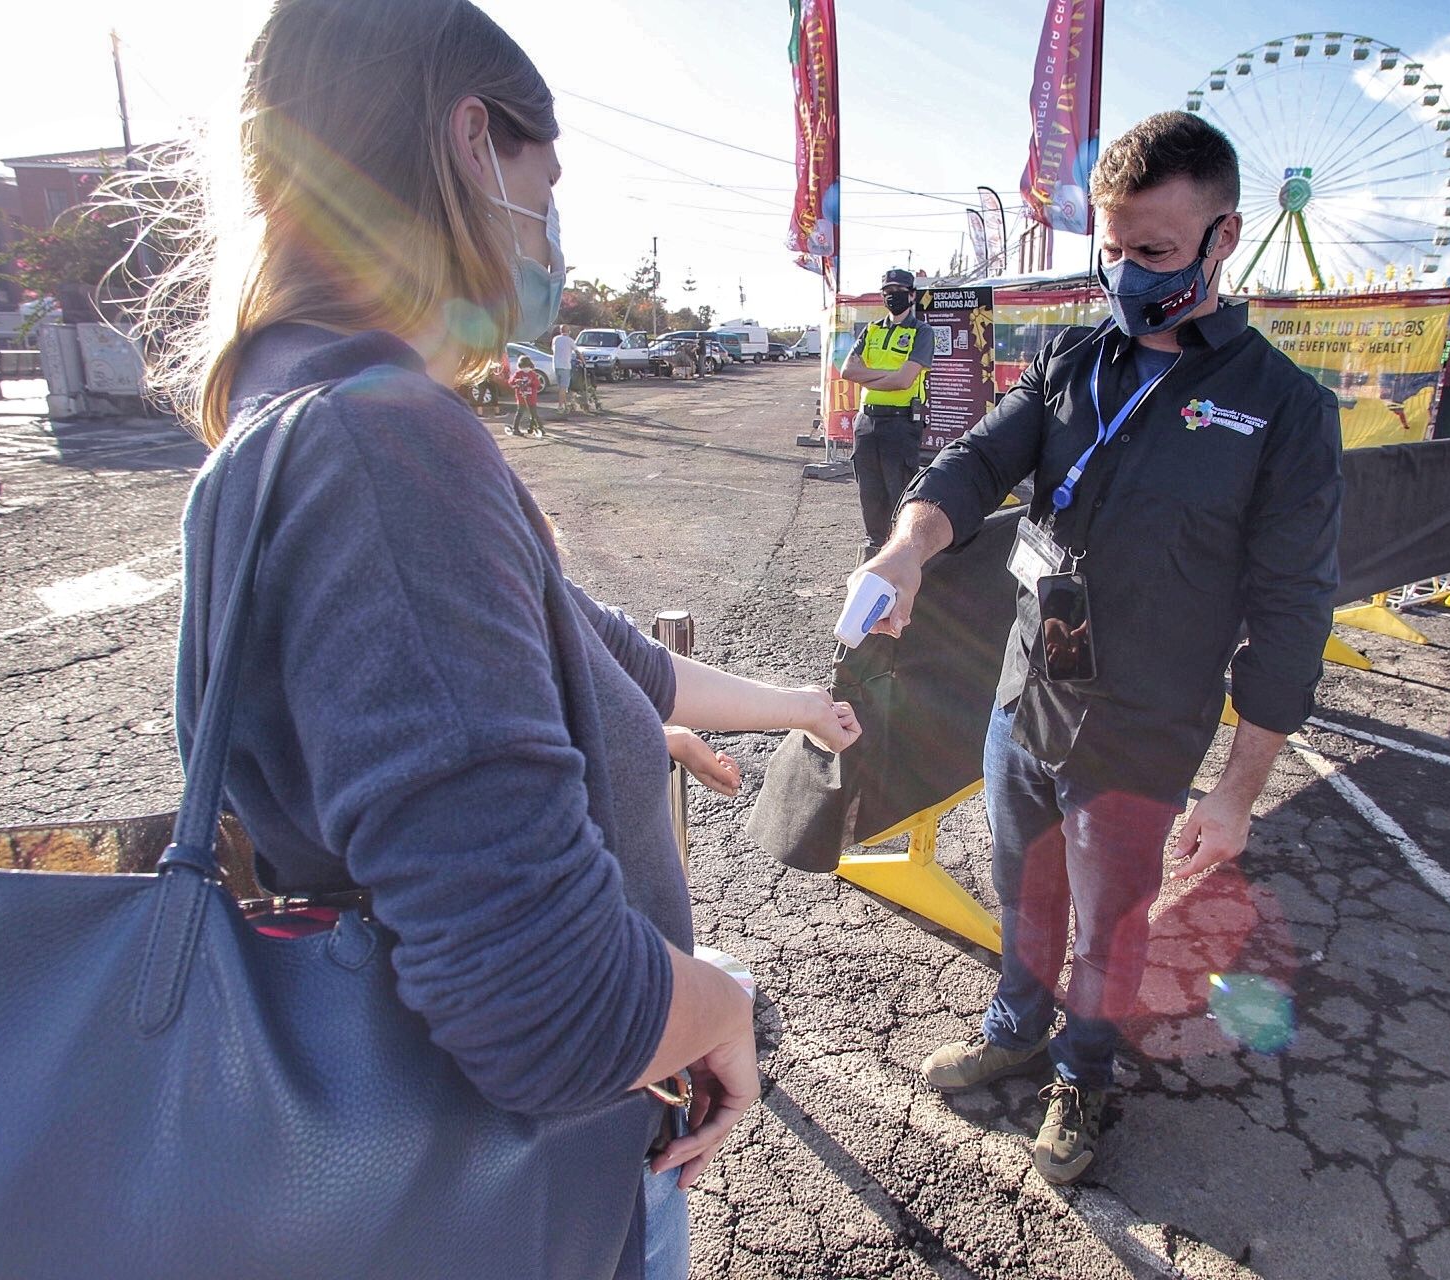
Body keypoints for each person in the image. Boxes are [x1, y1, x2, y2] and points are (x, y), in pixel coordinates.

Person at [140, 2, 862, 1275]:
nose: (551, 233)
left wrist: (787, 702)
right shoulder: (385, 448)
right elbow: (554, 1005)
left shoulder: (287, 418)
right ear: (474, 144)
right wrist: (724, 999)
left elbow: (614, 658)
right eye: (548, 185)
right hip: (518, 1193)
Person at [852, 111, 1342, 1185]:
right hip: (1027, 693)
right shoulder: (1073, 361)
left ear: (1225, 239)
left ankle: (1084, 1071)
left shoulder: (1286, 408)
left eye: (1153, 252)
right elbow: (973, 466)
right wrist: (904, 553)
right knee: (1021, 883)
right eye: (1112, 249)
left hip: (1145, 724)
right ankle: (1016, 1025)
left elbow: (1295, 609)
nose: (1125, 272)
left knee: (1112, 921)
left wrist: (1239, 789)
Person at [838, 267, 934, 560]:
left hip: (900, 424)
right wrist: (887, 376)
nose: (892, 297)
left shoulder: (921, 332)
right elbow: (847, 371)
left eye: (898, 292)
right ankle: (874, 551)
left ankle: (901, 555)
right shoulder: (872, 330)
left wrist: (868, 376)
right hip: (867, 423)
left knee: (899, 494)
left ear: (912, 295)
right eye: (887, 292)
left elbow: (904, 380)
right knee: (870, 494)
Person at [507, 352, 544, 437]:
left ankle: (536, 427)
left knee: (533, 413)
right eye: (523, 367)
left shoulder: (532, 374)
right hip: (521, 397)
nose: (525, 369)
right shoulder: (518, 374)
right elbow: (511, 381)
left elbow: (537, 384)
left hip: (531, 397)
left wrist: (531, 382)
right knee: (520, 412)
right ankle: (515, 428)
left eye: (526, 367)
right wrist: (517, 381)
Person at [551, 323, 575, 413]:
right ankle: (560, 406)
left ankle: (565, 406)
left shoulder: (555, 339)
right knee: (563, 388)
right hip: (565, 366)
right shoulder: (570, 340)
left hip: (556, 365)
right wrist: (583, 361)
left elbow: (553, 350)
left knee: (561, 387)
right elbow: (577, 351)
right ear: (569, 331)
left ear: (560, 331)